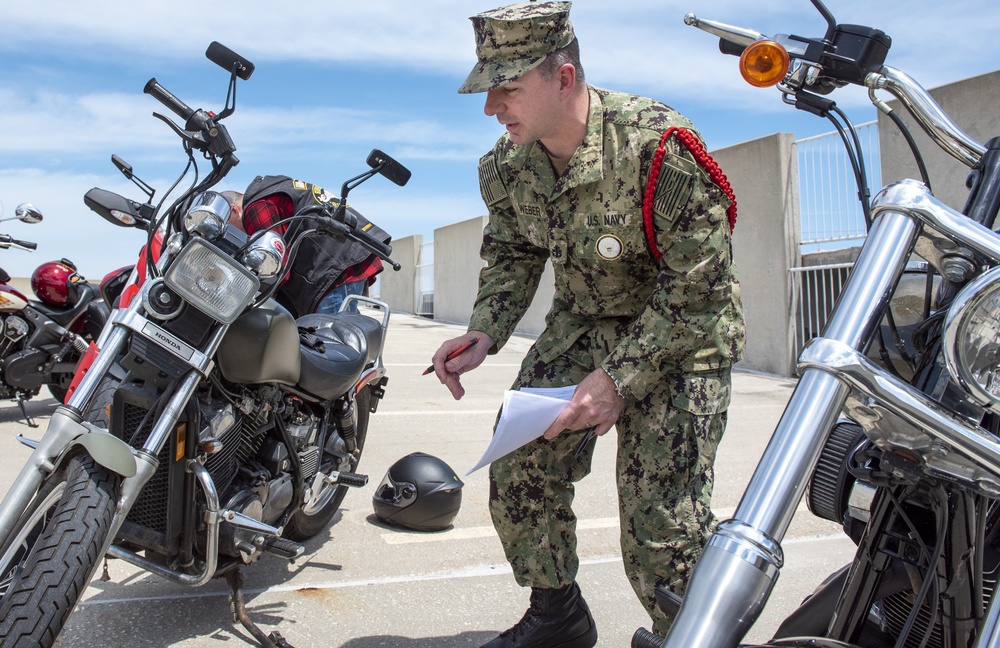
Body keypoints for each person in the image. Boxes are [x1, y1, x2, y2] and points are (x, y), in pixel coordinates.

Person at [428, 3, 745, 646]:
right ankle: (558, 618)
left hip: (682, 334)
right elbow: (515, 250)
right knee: (519, 464)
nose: (493, 106)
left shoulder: (659, 146)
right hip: (586, 324)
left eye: (509, 86)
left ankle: (686, 634)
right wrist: (486, 329)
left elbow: (698, 284)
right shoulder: (509, 166)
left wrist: (618, 381)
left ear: (563, 78)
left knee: (663, 525)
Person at [222, 176, 389, 316]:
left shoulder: (257, 207)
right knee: (336, 338)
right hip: (349, 258)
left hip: (335, 270)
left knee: (326, 344)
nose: (228, 232)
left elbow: (275, 267)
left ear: (234, 210)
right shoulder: (271, 190)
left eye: (226, 224)